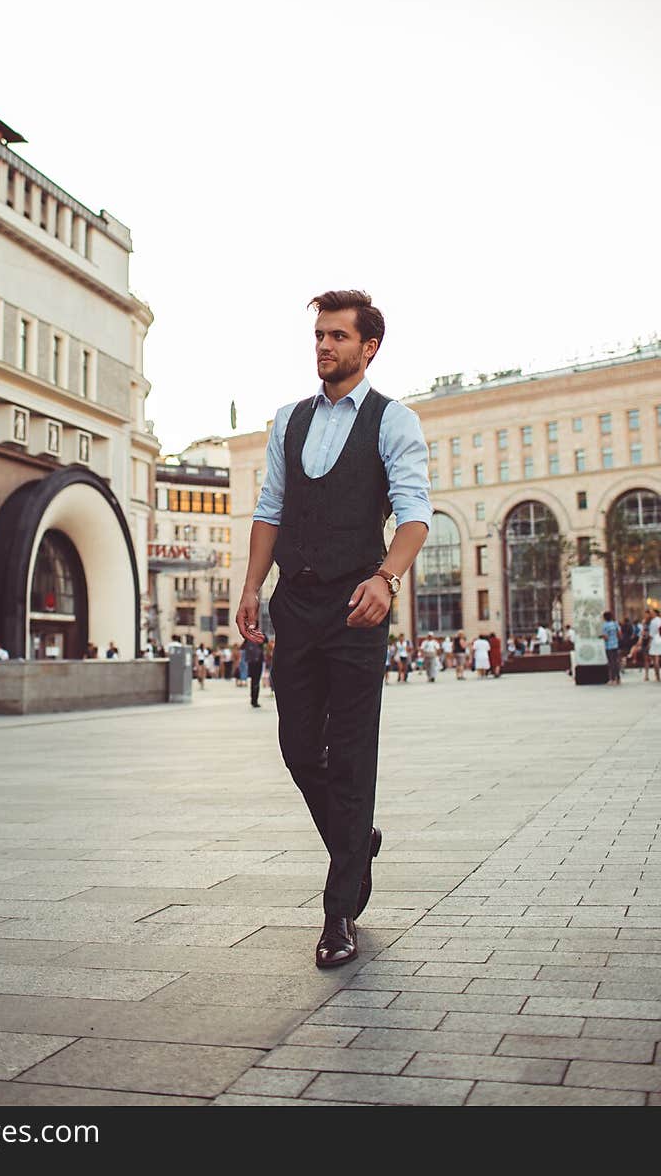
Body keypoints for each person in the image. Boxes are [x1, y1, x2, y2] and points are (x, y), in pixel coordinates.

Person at [235, 288, 430, 969]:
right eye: (319, 334)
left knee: (350, 755)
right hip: (296, 604)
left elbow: (414, 516)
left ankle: (338, 911)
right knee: (297, 749)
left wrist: (387, 578)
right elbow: (270, 509)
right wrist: (253, 587)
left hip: (357, 609)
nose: (325, 345)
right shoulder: (288, 420)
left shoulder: (392, 420)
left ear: (368, 346)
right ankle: (356, 839)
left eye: (338, 336)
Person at [601, 611, 620, 686]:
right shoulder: (615, 624)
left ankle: (612, 679)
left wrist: (601, 637)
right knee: (616, 662)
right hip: (615, 644)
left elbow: (606, 637)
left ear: (605, 618)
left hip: (609, 646)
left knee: (611, 663)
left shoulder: (605, 626)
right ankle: (618, 678)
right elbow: (619, 634)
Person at [244, 635, 264, 708]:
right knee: (256, 681)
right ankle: (255, 700)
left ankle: (253, 700)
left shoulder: (248, 638)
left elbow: (242, 647)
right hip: (258, 662)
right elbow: (266, 640)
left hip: (251, 662)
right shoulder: (259, 637)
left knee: (253, 681)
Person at [647, 609, 661, 682]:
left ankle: (657, 676)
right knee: (658, 658)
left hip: (655, 640)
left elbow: (651, 634)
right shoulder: (660, 620)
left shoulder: (653, 622)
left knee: (655, 659)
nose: (650, 614)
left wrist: (649, 643)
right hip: (659, 639)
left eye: (652, 613)